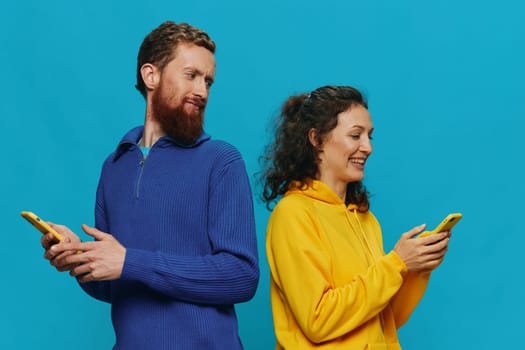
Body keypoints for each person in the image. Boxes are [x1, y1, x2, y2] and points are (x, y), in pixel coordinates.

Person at [42, 21, 259, 349]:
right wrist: (81, 258)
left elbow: (241, 276)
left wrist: (130, 261)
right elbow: (117, 285)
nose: (202, 90)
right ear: (150, 75)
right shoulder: (115, 167)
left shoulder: (222, 161)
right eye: (191, 75)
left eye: (208, 81)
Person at [260, 85, 451, 349]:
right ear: (316, 139)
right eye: (355, 135)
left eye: (370, 136)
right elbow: (319, 320)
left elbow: (384, 319)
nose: (368, 147)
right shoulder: (293, 215)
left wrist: (415, 268)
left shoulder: (366, 220)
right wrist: (396, 264)